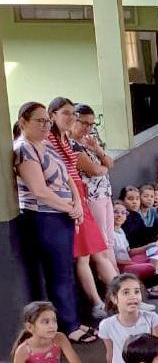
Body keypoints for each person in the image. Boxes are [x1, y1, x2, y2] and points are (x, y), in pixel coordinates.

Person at [12, 102, 97, 344]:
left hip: (63, 215)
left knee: (65, 271)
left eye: (47, 121)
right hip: (45, 218)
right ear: (23, 122)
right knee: (58, 274)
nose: (45, 126)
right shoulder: (24, 149)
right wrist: (70, 208)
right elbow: (39, 190)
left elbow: (68, 176)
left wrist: (77, 204)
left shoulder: (47, 143)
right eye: (40, 121)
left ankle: (73, 320)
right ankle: (68, 326)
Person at [47, 97, 119, 320]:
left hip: (84, 197)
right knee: (87, 255)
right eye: (67, 114)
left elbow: (107, 164)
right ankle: (101, 303)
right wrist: (101, 167)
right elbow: (95, 170)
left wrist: (99, 154)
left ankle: (122, 295)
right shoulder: (55, 141)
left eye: (74, 115)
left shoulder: (69, 141)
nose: (73, 120)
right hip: (78, 199)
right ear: (53, 115)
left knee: (101, 248)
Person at [77, 274, 158, 363]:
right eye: (126, 292)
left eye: (136, 292)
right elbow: (110, 352)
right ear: (114, 298)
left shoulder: (152, 318)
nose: (133, 296)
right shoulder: (107, 324)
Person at [71, 104, 117, 267]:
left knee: (110, 238)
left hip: (105, 193)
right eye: (83, 123)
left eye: (91, 124)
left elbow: (110, 162)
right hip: (91, 196)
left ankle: (116, 273)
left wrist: (98, 150)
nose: (88, 127)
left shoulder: (90, 140)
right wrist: (103, 168)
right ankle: (112, 277)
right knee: (102, 239)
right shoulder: (71, 144)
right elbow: (94, 170)